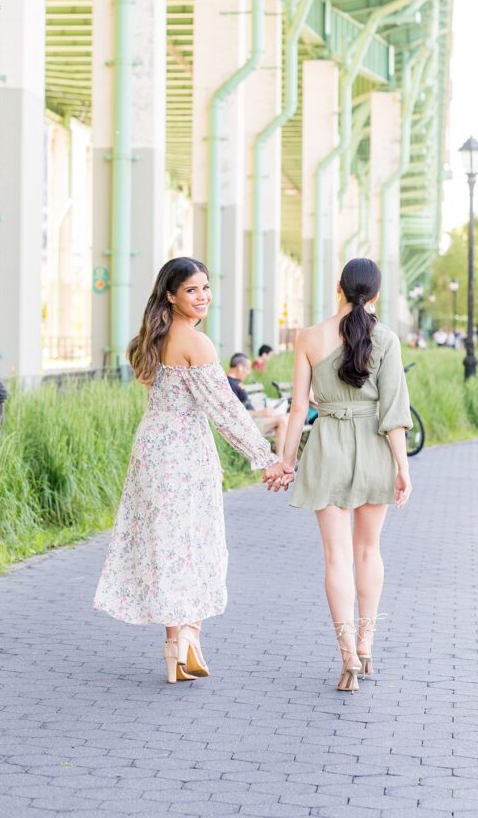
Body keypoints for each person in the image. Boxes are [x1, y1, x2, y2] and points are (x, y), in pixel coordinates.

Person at [92, 257, 285, 685]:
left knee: (168, 545)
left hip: (152, 449)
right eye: (192, 290)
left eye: (206, 288)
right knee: (194, 543)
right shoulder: (196, 343)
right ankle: (190, 638)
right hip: (182, 453)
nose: (203, 297)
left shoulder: (153, 337)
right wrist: (266, 457)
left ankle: (173, 645)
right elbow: (227, 412)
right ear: (171, 295)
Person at [265, 258, 413, 692]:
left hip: (327, 445)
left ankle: (347, 654)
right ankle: (366, 642)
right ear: (377, 294)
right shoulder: (386, 338)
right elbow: (394, 412)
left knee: (336, 558)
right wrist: (402, 468)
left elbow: (297, 409)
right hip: (373, 447)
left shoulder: (308, 337)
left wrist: (287, 461)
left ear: (338, 288)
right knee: (368, 550)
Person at [227, 352, 289, 455]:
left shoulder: (236, 382)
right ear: (239, 367)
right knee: (282, 420)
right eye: (247, 369)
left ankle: (285, 458)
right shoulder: (229, 384)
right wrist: (259, 413)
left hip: (253, 420)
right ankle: (280, 459)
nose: (249, 372)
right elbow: (234, 412)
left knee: (288, 417)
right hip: (246, 425)